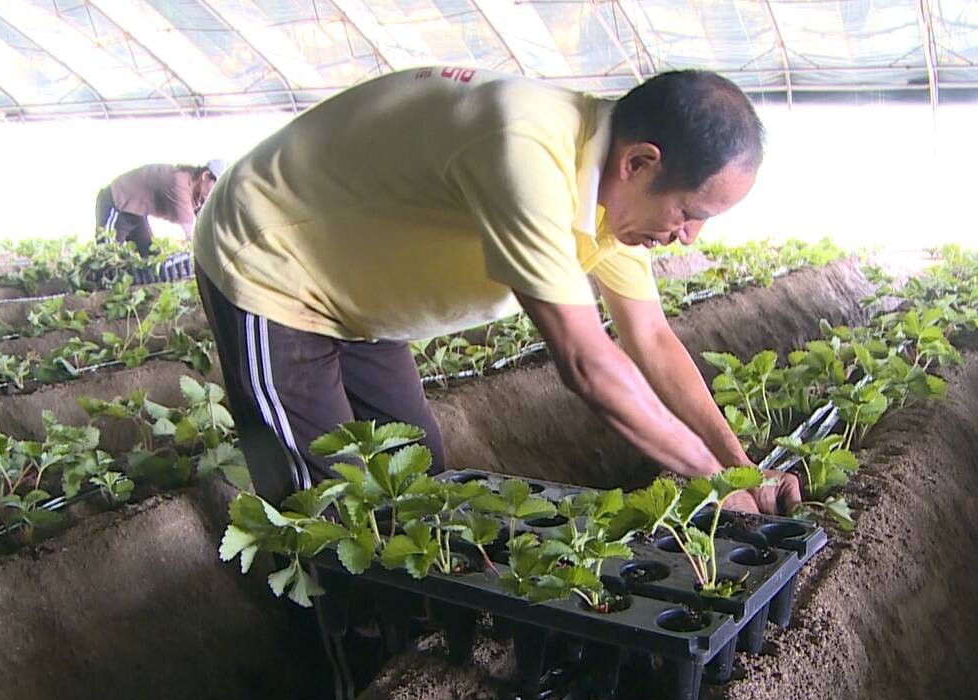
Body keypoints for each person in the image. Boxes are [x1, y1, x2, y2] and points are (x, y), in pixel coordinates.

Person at [193, 67, 802, 520]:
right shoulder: (528, 148)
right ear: (640, 163)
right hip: (274, 261)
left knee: (414, 465)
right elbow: (587, 362)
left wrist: (740, 470)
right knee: (326, 507)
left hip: (360, 292)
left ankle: (408, 632)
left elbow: (651, 340)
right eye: (691, 213)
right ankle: (345, 679)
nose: (687, 236)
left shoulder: (615, 201)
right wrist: (708, 480)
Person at [95, 160, 223, 256]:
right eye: (215, 185)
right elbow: (192, 235)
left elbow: (206, 223)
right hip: (117, 202)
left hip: (136, 213)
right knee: (106, 254)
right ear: (205, 176)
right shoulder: (179, 183)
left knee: (150, 255)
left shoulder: (197, 192)